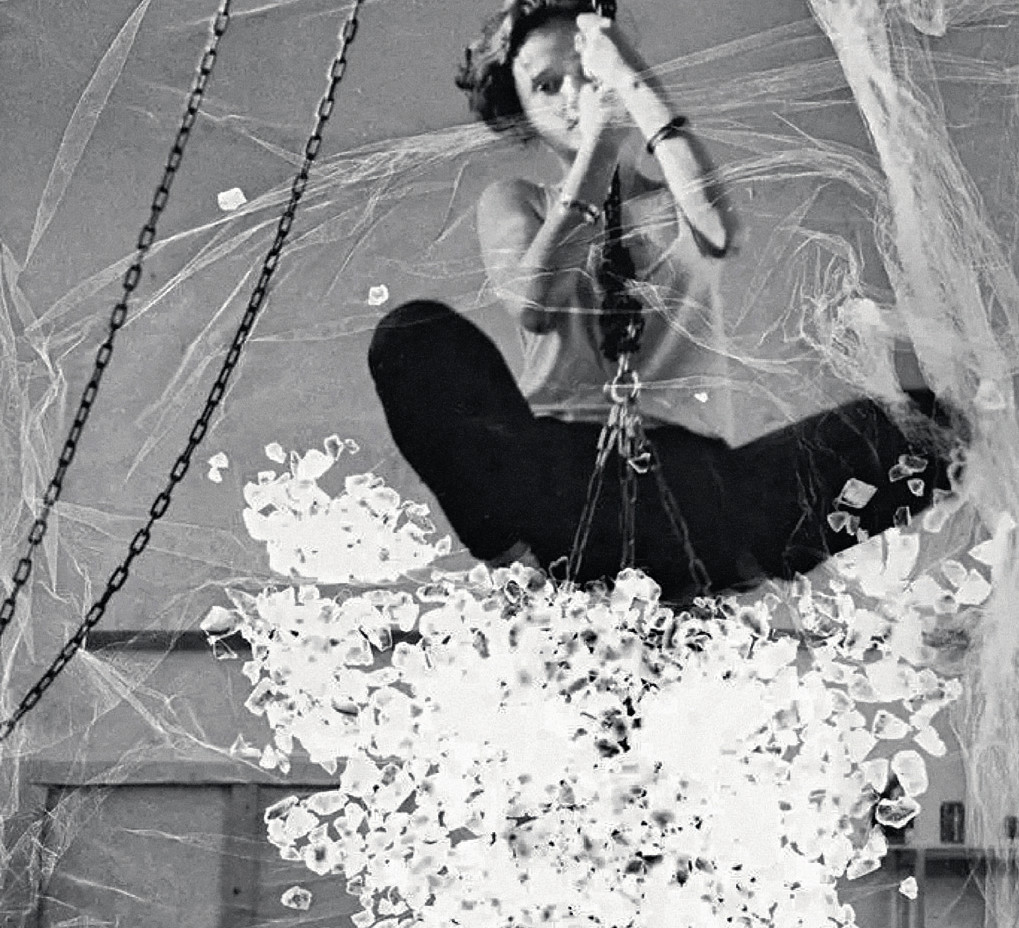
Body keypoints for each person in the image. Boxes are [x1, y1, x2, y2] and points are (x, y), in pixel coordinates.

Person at [367, 0, 965, 604]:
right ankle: (528, 568)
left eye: (588, 71)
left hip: (698, 490)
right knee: (412, 335)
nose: (575, 95)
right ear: (522, 112)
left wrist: (630, 82)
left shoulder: (678, 199)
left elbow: (719, 230)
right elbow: (535, 301)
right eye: (547, 86)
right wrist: (601, 144)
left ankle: (694, 580)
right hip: (556, 482)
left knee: (931, 427)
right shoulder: (518, 200)